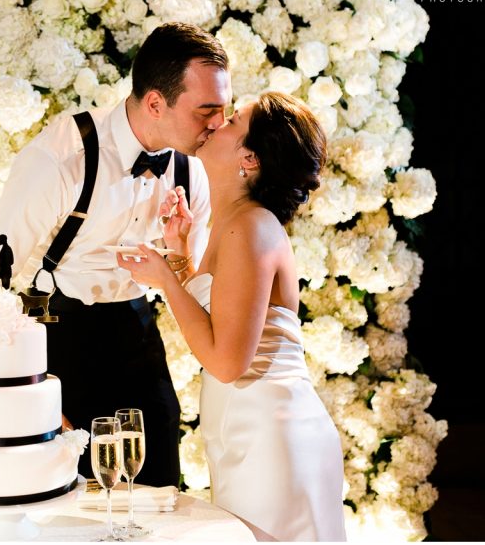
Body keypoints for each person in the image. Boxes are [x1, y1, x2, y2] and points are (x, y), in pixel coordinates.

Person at [0, 22, 232, 487]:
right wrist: (28, 394)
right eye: (206, 110)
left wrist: (178, 252)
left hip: (138, 334)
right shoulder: (61, 158)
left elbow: (191, 286)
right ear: (155, 103)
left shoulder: (194, 170)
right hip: (57, 341)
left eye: (223, 110)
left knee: (160, 491)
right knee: (69, 507)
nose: (218, 124)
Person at [118, 91, 346, 540]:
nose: (217, 120)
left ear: (250, 157)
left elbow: (226, 361)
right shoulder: (237, 221)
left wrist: (166, 279)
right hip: (248, 432)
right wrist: (182, 256)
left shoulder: (252, 226)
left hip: (271, 439)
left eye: (234, 120)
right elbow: (217, 323)